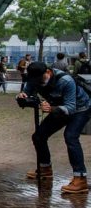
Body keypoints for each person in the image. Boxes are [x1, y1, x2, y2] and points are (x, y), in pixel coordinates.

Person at [17, 61, 91, 194]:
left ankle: (80, 179)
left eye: (40, 79)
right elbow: (27, 93)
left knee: (71, 137)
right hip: (57, 108)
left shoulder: (65, 81)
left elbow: (70, 107)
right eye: (34, 80)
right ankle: (45, 168)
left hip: (80, 108)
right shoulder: (34, 78)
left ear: (48, 72)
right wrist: (22, 97)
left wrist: (51, 109)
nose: (37, 82)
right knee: (39, 136)